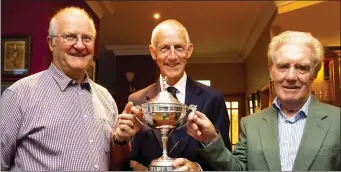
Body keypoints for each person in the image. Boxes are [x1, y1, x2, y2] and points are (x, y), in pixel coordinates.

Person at [1, 7, 141, 171]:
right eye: (70, 37)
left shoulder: (105, 98)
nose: (80, 45)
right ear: (51, 43)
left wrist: (120, 140)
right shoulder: (19, 95)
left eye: (87, 38)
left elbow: (113, 166)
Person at [178, 31, 340, 171]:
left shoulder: (337, 121)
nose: (291, 76)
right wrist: (211, 139)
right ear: (271, 72)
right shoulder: (251, 124)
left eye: (302, 68)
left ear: (314, 73)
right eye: (283, 66)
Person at [123, 19, 231, 171]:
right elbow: (129, 159)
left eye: (179, 47)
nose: (172, 56)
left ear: (189, 50)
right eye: (165, 48)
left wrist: (198, 169)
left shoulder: (213, 99)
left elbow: (226, 162)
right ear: (153, 53)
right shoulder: (136, 100)